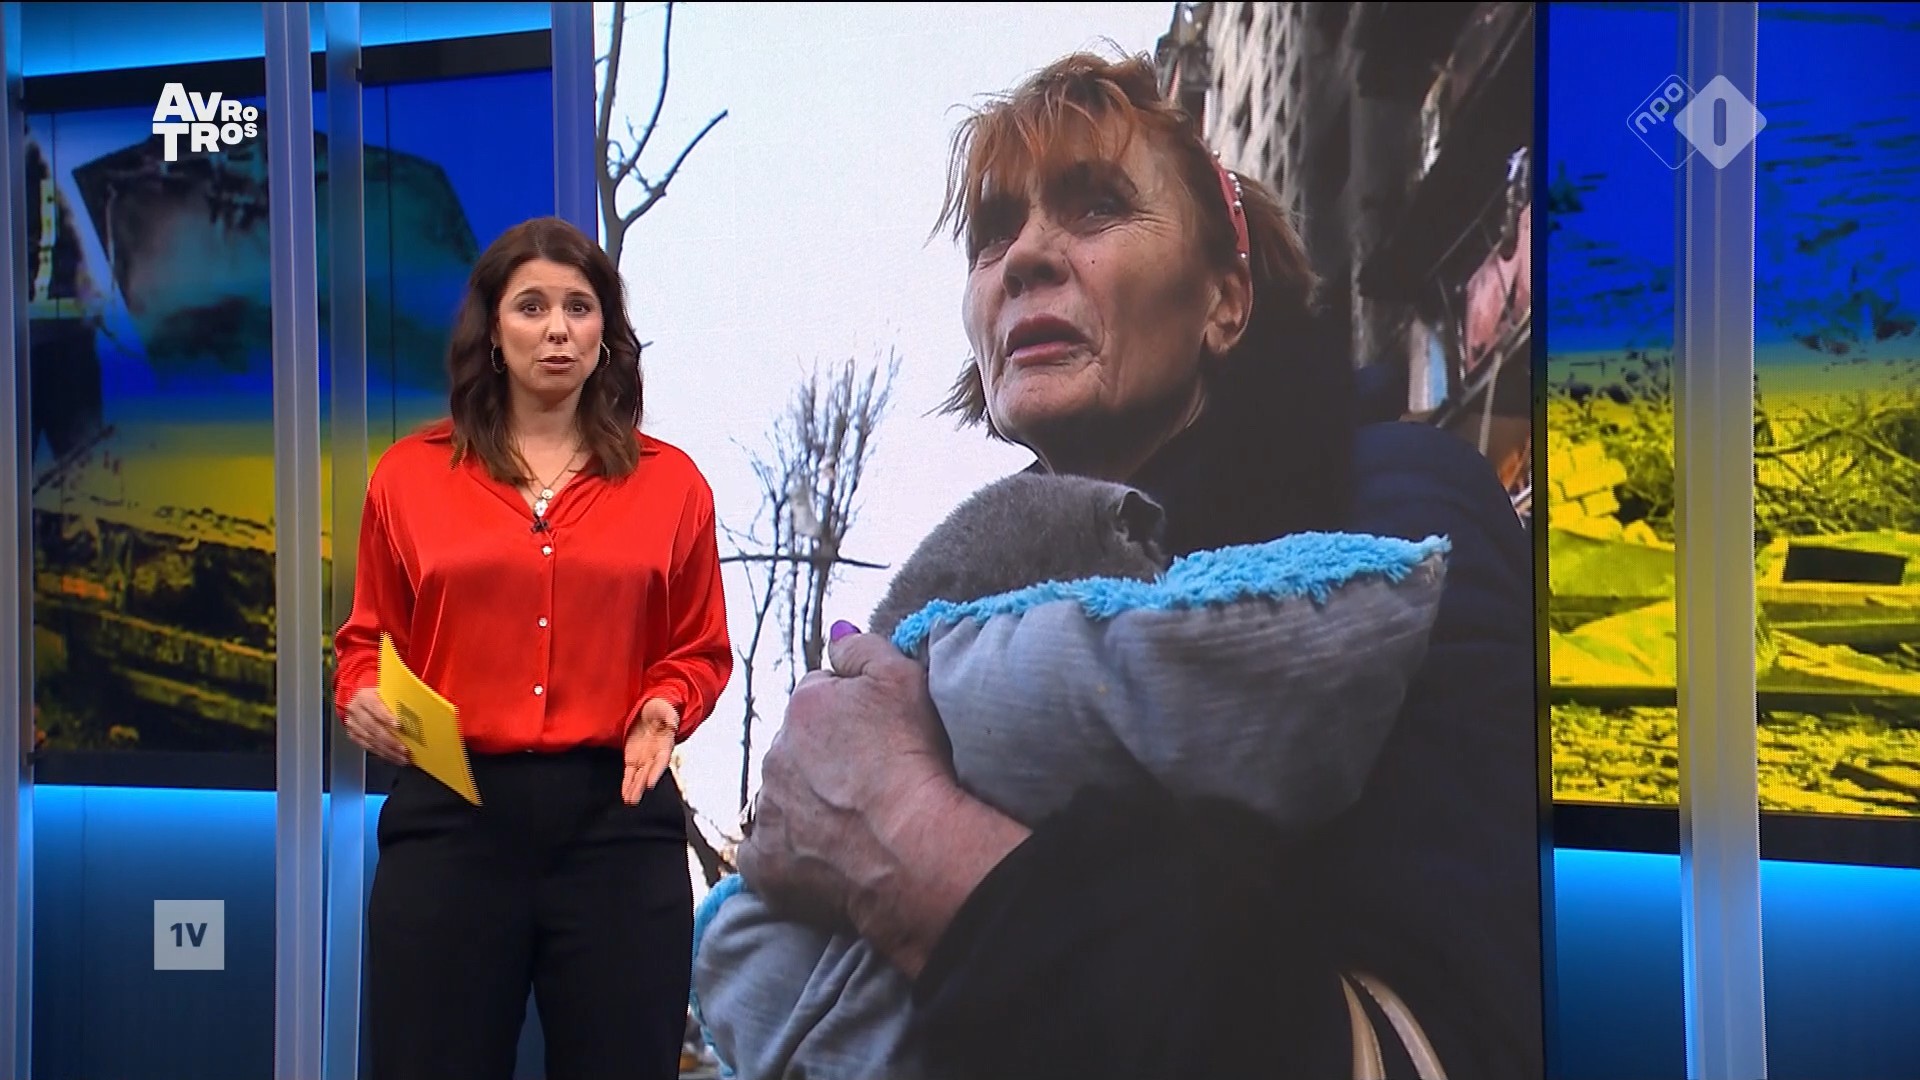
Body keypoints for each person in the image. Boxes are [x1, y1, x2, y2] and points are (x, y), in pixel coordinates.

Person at [735, 52, 1540, 1080]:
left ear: (1225, 303)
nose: (1025, 257)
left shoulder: (1396, 510)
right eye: (994, 234)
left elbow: (1456, 1046)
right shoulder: (964, 608)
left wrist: (904, 834)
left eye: (1097, 207)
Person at [333, 215, 734, 1080]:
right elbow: (368, 641)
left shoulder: (673, 485)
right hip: (452, 821)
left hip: (616, 826)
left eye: (579, 308)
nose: (558, 329)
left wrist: (666, 705)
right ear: (492, 330)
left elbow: (699, 649)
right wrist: (361, 691)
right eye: (532, 307)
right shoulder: (408, 477)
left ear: (605, 333)